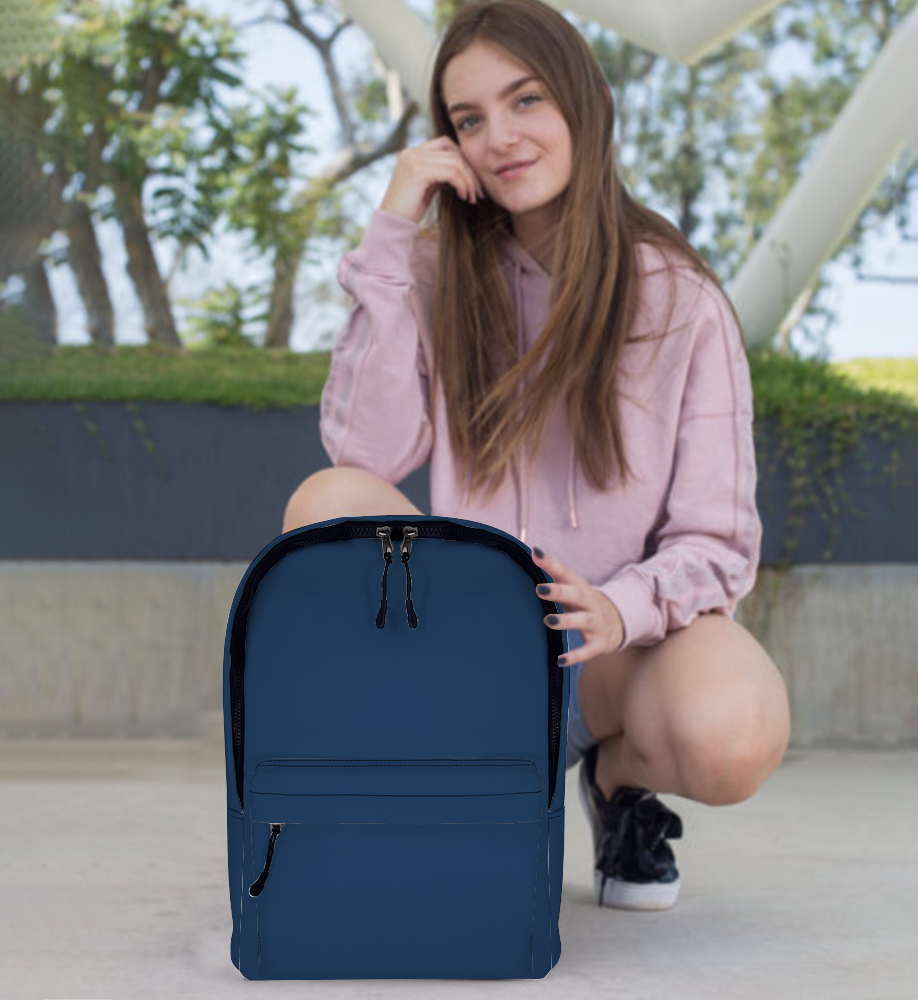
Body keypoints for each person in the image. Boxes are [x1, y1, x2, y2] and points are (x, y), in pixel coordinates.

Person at [283, 0, 791, 912]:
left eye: (525, 101)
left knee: (732, 730)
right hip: (464, 641)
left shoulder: (679, 297)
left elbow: (718, 542)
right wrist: (395, 229)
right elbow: (365, 449)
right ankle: (454, 779)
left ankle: (615, 784)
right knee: (327, 499)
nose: (499, 138)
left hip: (608, 651)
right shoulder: (434, 273)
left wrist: (617, 606)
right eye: (468, 120)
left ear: (584, 103)